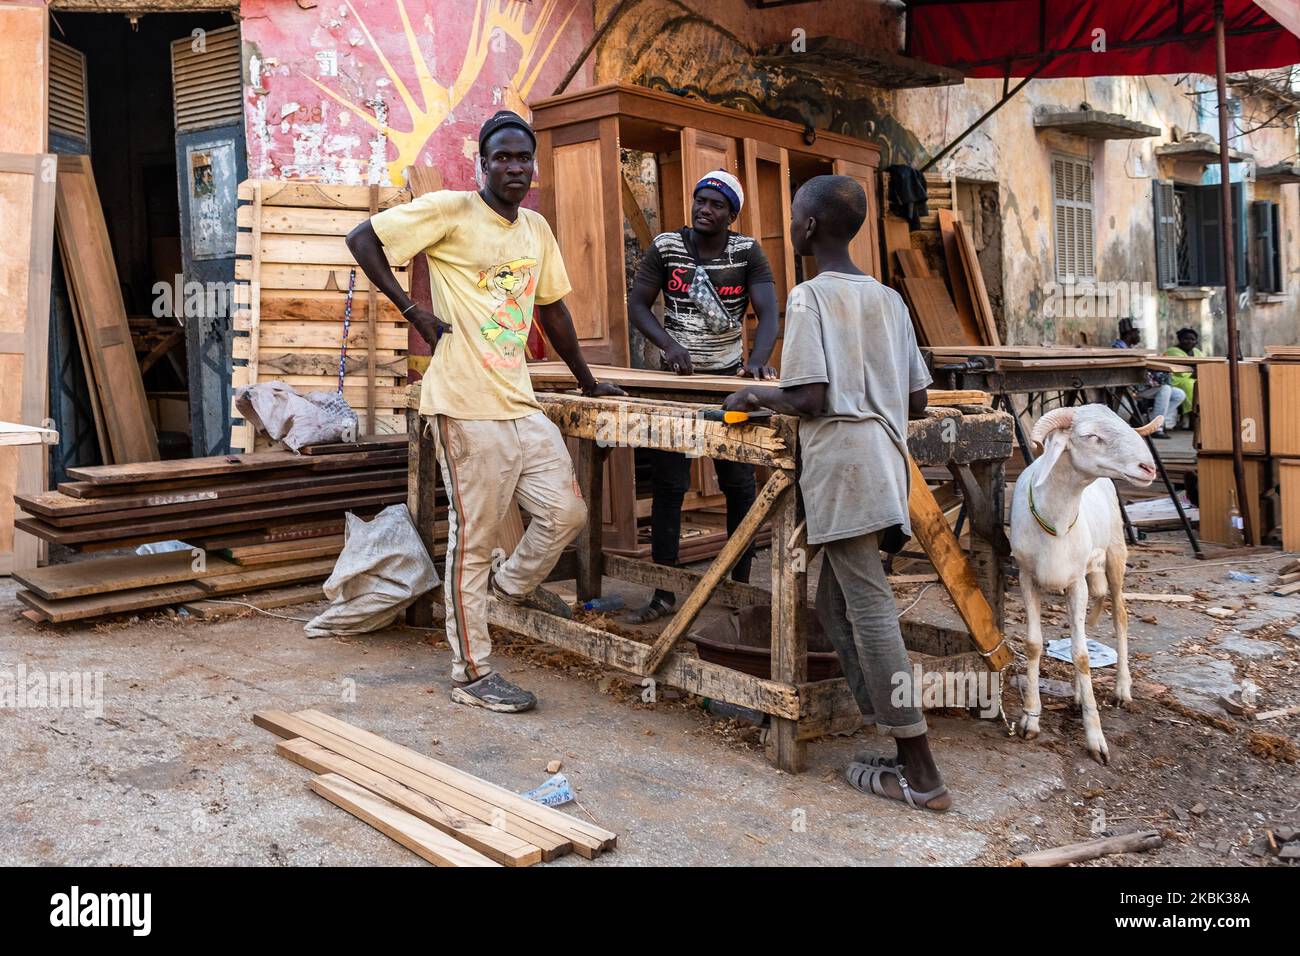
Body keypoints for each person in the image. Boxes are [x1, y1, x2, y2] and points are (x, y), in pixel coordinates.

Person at [345, 110, 624, 714]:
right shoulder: (450, 211)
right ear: (483, 163)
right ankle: (472, 671)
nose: (514, 167)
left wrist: (589, 383)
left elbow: (552, 312)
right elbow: (362, 239)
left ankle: (508, 588)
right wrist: (410, 310)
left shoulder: (537, 231)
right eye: (502, 157)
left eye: (523, 157)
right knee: (472, 541)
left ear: (534, 166)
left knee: (566, 512)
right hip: (465, 405)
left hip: (518, 401)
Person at [722, 175, 950, 812]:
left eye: (795, 215)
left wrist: (751, 395)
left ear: (811, 228)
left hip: (845, 467)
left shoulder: (808, 298)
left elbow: (809, 398)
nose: (790, 225)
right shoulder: (889, 299)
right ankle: (896, 737)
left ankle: (921, 768)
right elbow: (916, 400)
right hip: (885, 461)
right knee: (839, 602)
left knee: (870, 610)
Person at [624, 170, 780, 623]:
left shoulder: (746, 252)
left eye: (716, 204)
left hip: (727, 387)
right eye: (699, 200)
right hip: (676, 384)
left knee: (738, 486)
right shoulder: (668, 248)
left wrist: (758, 361)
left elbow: (768, 313)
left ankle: (740, 590)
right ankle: (664, 593)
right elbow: (638, 304)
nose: (704, 209)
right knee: (669, 487)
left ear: (732, 214)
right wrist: (668, 346)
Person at [1113, 318, 1181, 439]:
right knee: (1165, 389)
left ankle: (1149, 419)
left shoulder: (1129, 348)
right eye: (1137, 332)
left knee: (1178, 395)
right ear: (1130, 333)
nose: (1139, 335)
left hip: (1138, 385)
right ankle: (1156, 428)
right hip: (1131, 387)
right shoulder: (1118, 348)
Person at [1164, 327, 1205, 426]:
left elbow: (1204, 364)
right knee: (1190, 385)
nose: (1189, 341)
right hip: (1176, 379)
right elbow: (1181, 371)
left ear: (1196, 341)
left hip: (1193, 376)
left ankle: (1204, 416)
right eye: (1186, 339)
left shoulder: (1197, 352)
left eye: (1192, 339)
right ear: (1180, 339)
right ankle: (1193, 420)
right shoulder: (1172, 351)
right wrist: (1195, 373)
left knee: (1204, 384)